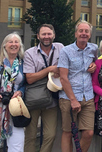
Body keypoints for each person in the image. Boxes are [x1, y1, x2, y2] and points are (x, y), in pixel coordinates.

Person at [23, 24, 64, 152]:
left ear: (54, 35)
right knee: (30, 135)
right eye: (44, 34)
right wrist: (50, 69)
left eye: (49, 34)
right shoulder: (29, 53)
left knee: (50, 135)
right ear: (38, 36)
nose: (46, 37)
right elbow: (29, 78)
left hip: (51, 99)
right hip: (33, 99)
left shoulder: (61, 48)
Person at [58, 21, 97, 152]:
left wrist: (94, 65)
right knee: (68, 132)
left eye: (86, 31)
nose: (83, 34)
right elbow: (63, 77)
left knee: (89, 133)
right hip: (69, 98)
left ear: (90, 34)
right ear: (76, 33)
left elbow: (97, 63)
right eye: (81, 31)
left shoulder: (93, 48)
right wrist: (73, 100)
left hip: (88, 96)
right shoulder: (66, 51)